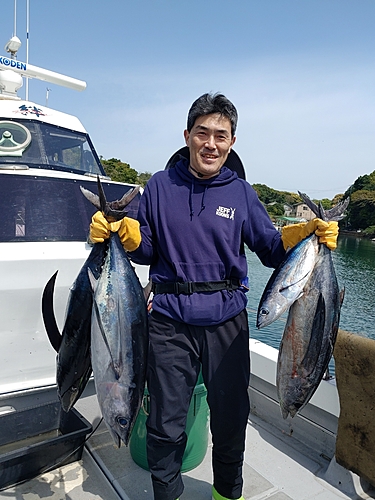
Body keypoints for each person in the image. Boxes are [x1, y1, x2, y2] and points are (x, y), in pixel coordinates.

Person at [89, 93, 339, 500]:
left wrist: (304, 235)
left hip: (227, 324)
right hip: (169, 323)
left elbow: (272, 250)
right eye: (202, 133)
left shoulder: (241, 193)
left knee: (230, 420)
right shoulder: (158, 185)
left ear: (232, 142)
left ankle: (227, 494)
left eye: (220, 136)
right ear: (187, 136)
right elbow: (146, 248)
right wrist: (125, 233)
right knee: (165, 425)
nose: (211, 143)